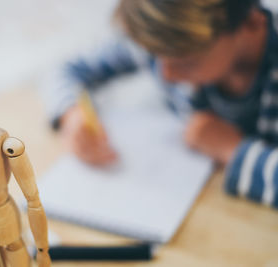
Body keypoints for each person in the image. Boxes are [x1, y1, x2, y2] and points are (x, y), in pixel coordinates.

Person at [43, 0, 278, 209]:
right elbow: (65, 69)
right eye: (155, 56)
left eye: (188, 63)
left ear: (251, 23)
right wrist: (71, 114)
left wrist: (232, 149)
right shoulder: (162, 41)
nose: (165, 75)